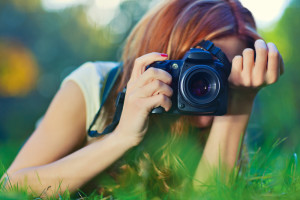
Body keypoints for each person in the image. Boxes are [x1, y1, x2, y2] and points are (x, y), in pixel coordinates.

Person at [2, 0, 284, 198]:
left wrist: (239, 103)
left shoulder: (227, 108)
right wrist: (121, 136)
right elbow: (11, 187)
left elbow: (208, 196)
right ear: (162, 60)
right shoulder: (94, 86)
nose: (207, 89)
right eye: (195, 76)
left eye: (221, 80)